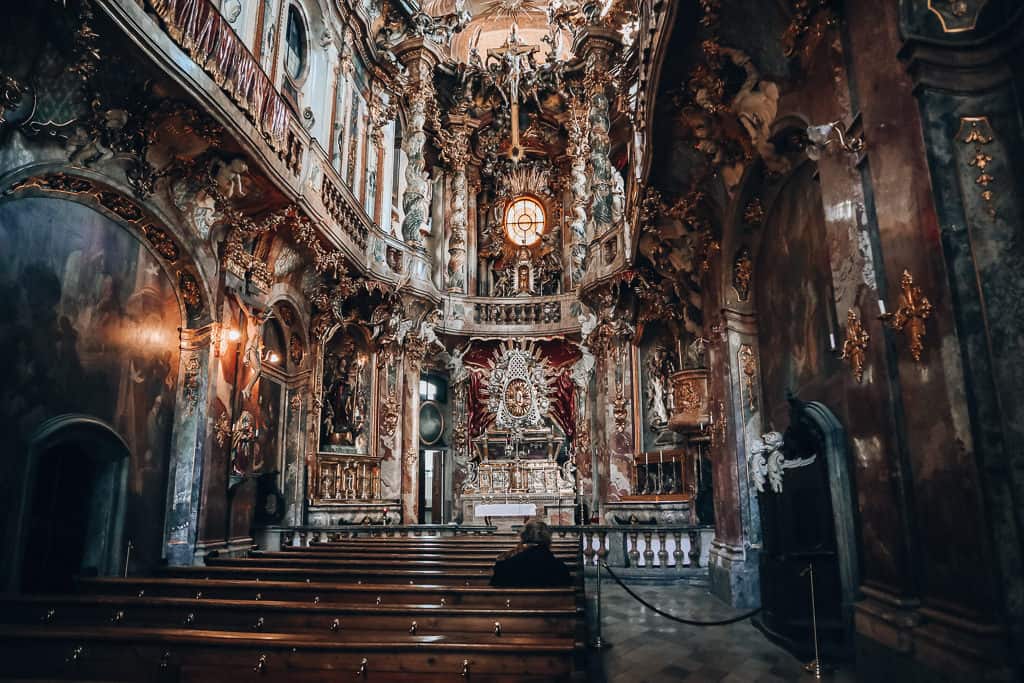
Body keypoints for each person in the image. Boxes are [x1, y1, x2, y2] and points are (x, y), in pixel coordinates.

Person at [490, 519, 572, 588]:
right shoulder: (560, 568)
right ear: (548, 539)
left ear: (523, 537)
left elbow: (494, 592)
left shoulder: (504, 566)